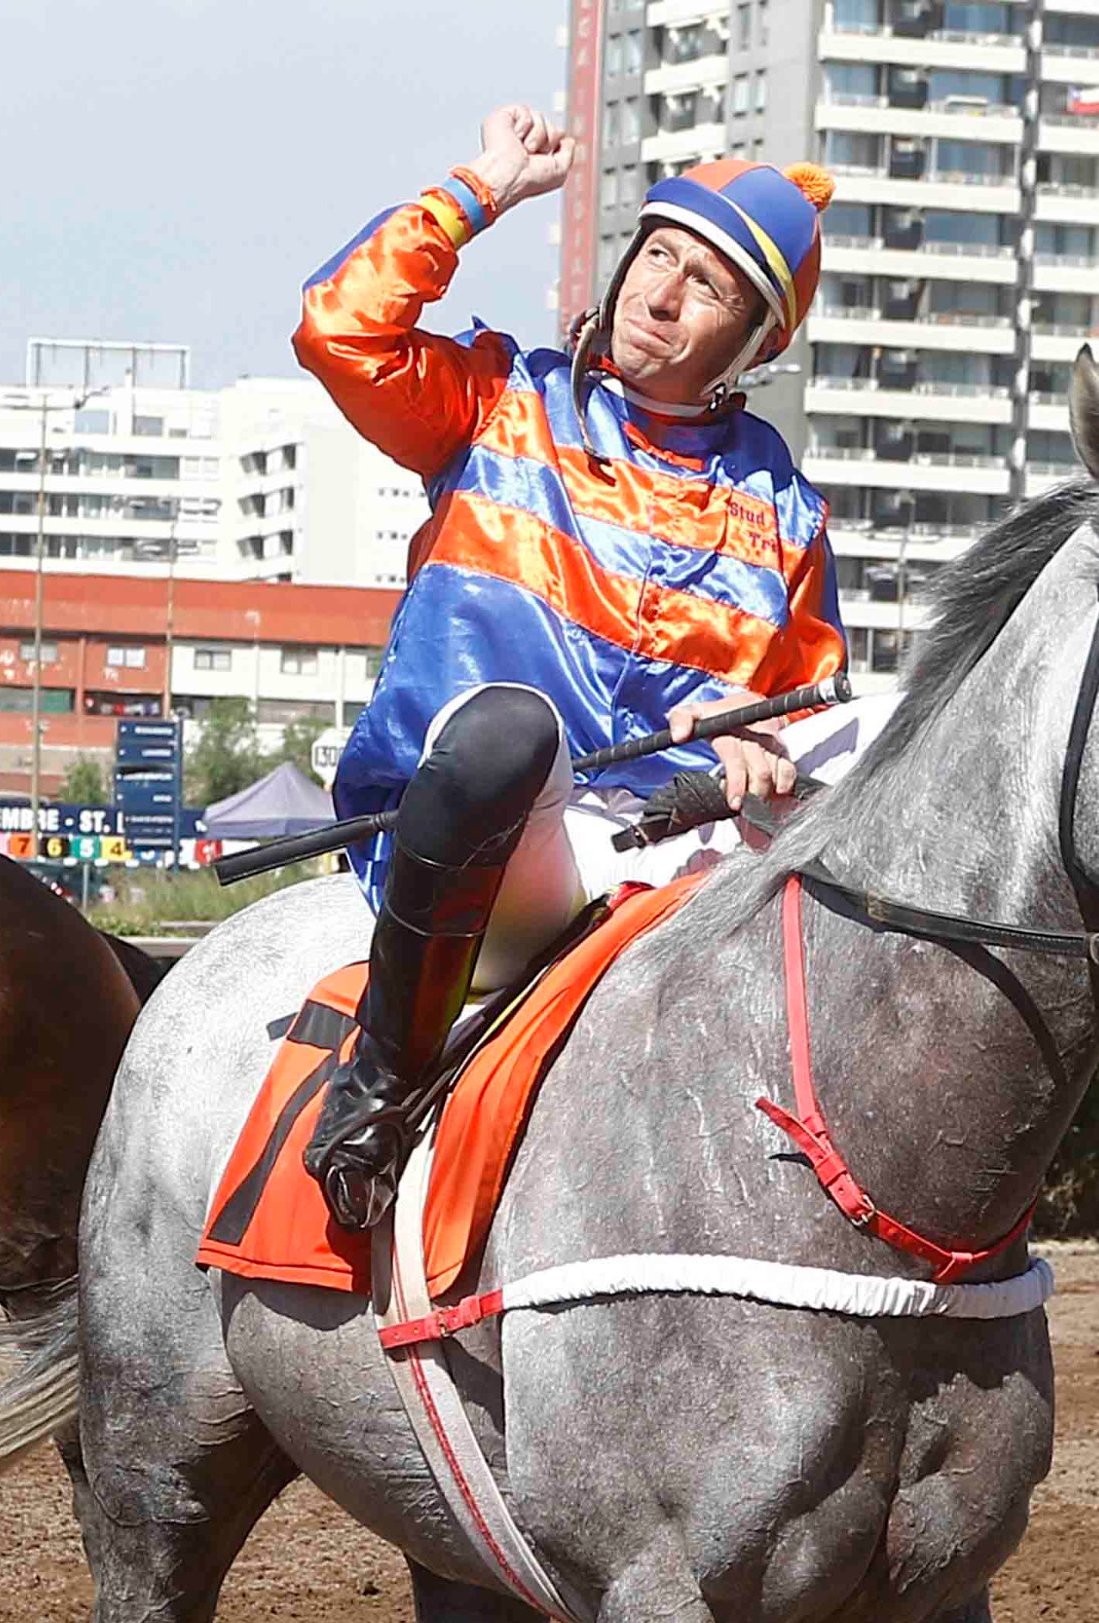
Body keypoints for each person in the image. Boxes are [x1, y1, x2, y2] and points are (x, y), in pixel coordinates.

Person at [291, 105, 850, 1229]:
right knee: (510, 731)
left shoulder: (785, 512)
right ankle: (381, 1083)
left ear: (756, 344)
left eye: (711, 290)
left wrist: (764, 743)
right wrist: (478, 192)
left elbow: (813, 717)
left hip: (681, 867)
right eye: (658, 258)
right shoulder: (496, 400)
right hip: (499, 850)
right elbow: (338, 333)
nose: (662, 297)